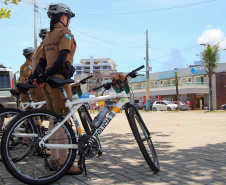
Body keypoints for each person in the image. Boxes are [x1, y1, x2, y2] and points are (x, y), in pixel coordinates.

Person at [34, 3, 81, 175]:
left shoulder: (47, 38)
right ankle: (65, 163)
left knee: (54, 121)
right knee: (63, 122)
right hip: (59, 82)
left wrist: (42, 76)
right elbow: (62, 56)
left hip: (48, 84)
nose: (69, 21)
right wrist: (48, 76)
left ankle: (54, 159)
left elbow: (41, 62)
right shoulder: (64, 33)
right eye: (68, 18)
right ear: (63, 17)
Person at [29, 28, 49, 106]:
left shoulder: (37, 49)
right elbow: (41, 64)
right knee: (46, 108)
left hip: (38, 80)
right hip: (42, 81)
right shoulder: (43, 48)